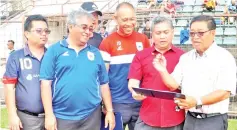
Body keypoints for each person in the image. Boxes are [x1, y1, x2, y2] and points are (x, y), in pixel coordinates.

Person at [153, 15, 236, 130]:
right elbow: (173, 85)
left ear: (213, 33)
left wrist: (197, 101)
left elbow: (225, 92)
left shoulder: (224, 57)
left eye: (200, 33)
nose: (195, 37)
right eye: (192, 33)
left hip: (213, 120)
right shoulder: (186, 58)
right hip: (190, 119)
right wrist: (162, 70)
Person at [40, 10, 115, 130]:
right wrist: (49, 115)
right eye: (84, 27)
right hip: (62, 116)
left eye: (91, 29)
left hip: (91, 116)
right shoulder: (54, 51)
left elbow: (103, 83)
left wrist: (110, 110)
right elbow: (45, 84)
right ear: (70, 26)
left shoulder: (95, 53)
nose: (88, 32)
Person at [99, 2, 151, 130]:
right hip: (117, 103)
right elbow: (102, 77)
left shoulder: (143, 39)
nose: (129, 23)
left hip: (140, 102)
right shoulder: (107, 42)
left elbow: (148, 70)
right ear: (115, 19)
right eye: (125, 19)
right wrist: (106, 104)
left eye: (132, 19)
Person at [128, 16, 185, 130]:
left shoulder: (183, 57)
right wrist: (134, 92)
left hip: (175, 118)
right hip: (148, 117)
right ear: (152, 34)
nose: (162, 36)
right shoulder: (141, 55)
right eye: (158, 33)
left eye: (166, 32)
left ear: (172, 33)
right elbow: (133, 81)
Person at [3, 14, 50, 130]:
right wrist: (12, 115)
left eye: (46, 31)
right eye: (39, 31)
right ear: (27, 33)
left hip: (52, 117)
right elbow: (9, 88)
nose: (44, 34)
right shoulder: (16, 57)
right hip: (27, 119)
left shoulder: (53, 56)